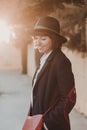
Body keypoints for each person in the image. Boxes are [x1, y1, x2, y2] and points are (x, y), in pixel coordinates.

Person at [28, 16, 76, 130]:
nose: (38, 43)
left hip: (51, 126)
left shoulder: (61, 62)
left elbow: (69, 98)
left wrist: (47, 123)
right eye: (36, 38)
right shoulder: (44, 59)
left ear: (54, 40)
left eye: (43, 39)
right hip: (36, 123)